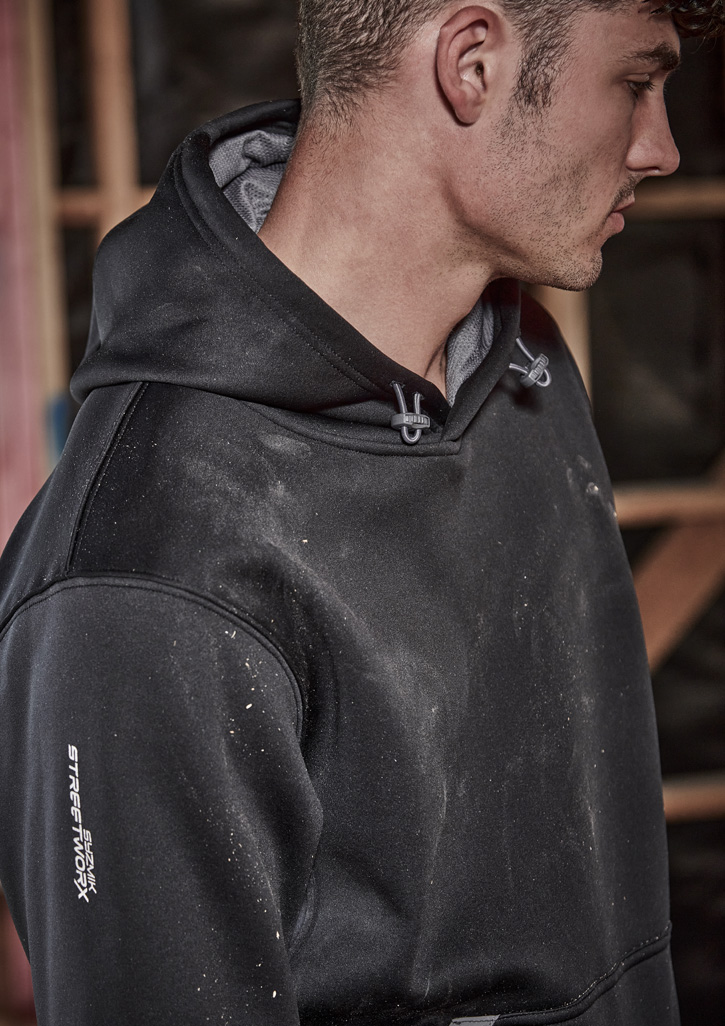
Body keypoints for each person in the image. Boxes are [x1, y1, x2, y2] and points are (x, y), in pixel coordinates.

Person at [0, 0, 722, 1022]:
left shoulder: (518, 364)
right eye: (635, 84)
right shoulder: (143, 574)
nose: (660, 147)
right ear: (471, 63)